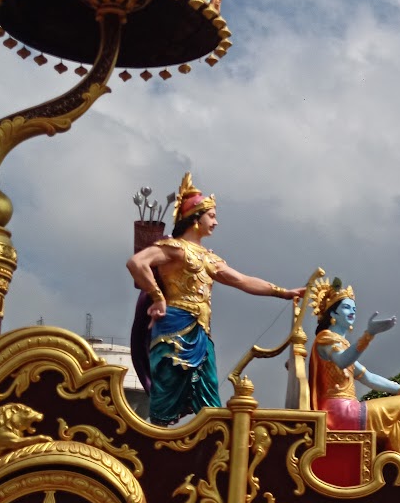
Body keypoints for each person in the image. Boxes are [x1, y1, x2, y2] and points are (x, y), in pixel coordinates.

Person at [126, 173, 303, 425]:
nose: (216, 222)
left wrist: (283, 292)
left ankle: (212, 438)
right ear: (195, 218)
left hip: (201, 331)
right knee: (166, 390)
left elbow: (242, 280)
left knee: (208, 393)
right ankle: (157, 440)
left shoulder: (210, 259)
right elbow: (137, 263)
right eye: (211, 216)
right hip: (173, 327)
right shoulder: (175, 248)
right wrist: (157, 297)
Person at [307, 277, 400, 463]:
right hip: (340, 412)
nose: (352, 312)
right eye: (346, 307)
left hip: (347, 411)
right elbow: (342, 361)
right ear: (333, 313)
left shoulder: (341, 344)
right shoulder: (326, 339)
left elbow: (369, 378)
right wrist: (369, 334)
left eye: (354, 309)